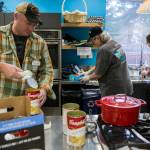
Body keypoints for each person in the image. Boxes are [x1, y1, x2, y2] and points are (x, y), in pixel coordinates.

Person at [0, 2, 54, 106]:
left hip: (29, 104)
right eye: (28, 23)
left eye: (34, 25)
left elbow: (47, 70)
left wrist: (44, 88)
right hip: (3, 104)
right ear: (15, 16)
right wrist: (1, 66)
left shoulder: (40, 42)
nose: (31, 28)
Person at [80, 27, 133, 97]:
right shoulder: (115, 44)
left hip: (114, 90)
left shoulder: (104, 49)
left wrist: (88, 77)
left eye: (93, 41)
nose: (93, 44)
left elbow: (98, 74)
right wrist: (88, 72)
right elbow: (106, 63)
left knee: (112, 108)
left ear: (98, 38)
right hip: (126, 87)